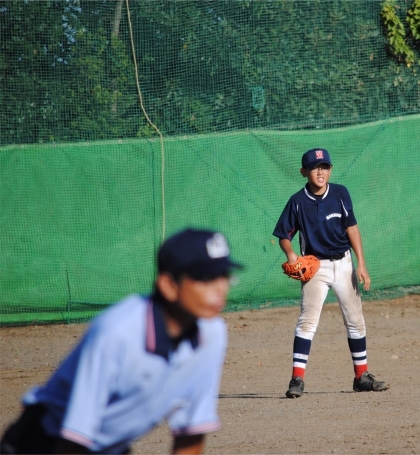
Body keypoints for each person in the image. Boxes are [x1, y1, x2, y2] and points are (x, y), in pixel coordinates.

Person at [0, 228, 241, 454]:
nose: (220, 288)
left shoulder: (212, 333)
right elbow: (75, 439)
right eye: (206, 278)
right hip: (43, 444)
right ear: (169, 286)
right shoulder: (117, 333)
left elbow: (191, 433)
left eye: (224, 276)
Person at [273, 147, 389, 398]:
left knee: (355, 320)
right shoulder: (297, 201)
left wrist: (361, 263)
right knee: (307, 322)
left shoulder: (340, 193)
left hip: (344, 264)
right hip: (315, 267)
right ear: (304, 172)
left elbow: (352, 228)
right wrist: (291, 254)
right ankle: (297, 379)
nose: (320, 172)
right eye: (315, 168)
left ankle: (361, 377)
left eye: (324, 167)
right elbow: (283, 234)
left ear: (330, 170)